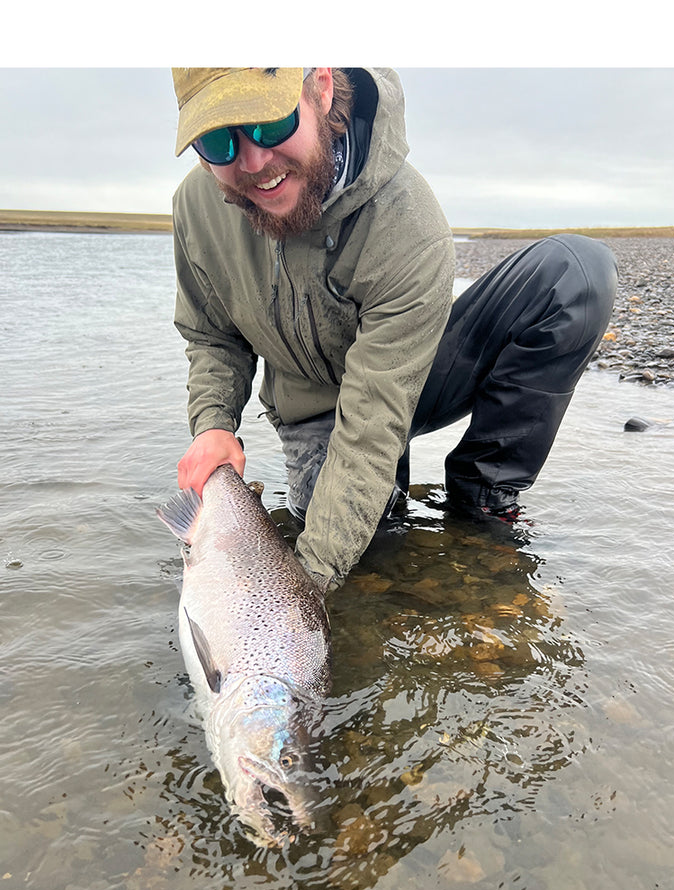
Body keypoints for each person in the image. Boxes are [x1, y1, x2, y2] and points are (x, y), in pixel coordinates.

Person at [170, 67, 618, 593]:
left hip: (408, 373)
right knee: (368, 557)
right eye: (217, 142)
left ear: (322, 87)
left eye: (270, 124)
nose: (253, 163)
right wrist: (214, 424)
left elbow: (373, 419)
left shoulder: (408, 221)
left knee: (575, 273)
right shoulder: (196, 206)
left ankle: (480, 502)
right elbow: (212, 335)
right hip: (312, 407)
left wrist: (306, 588)